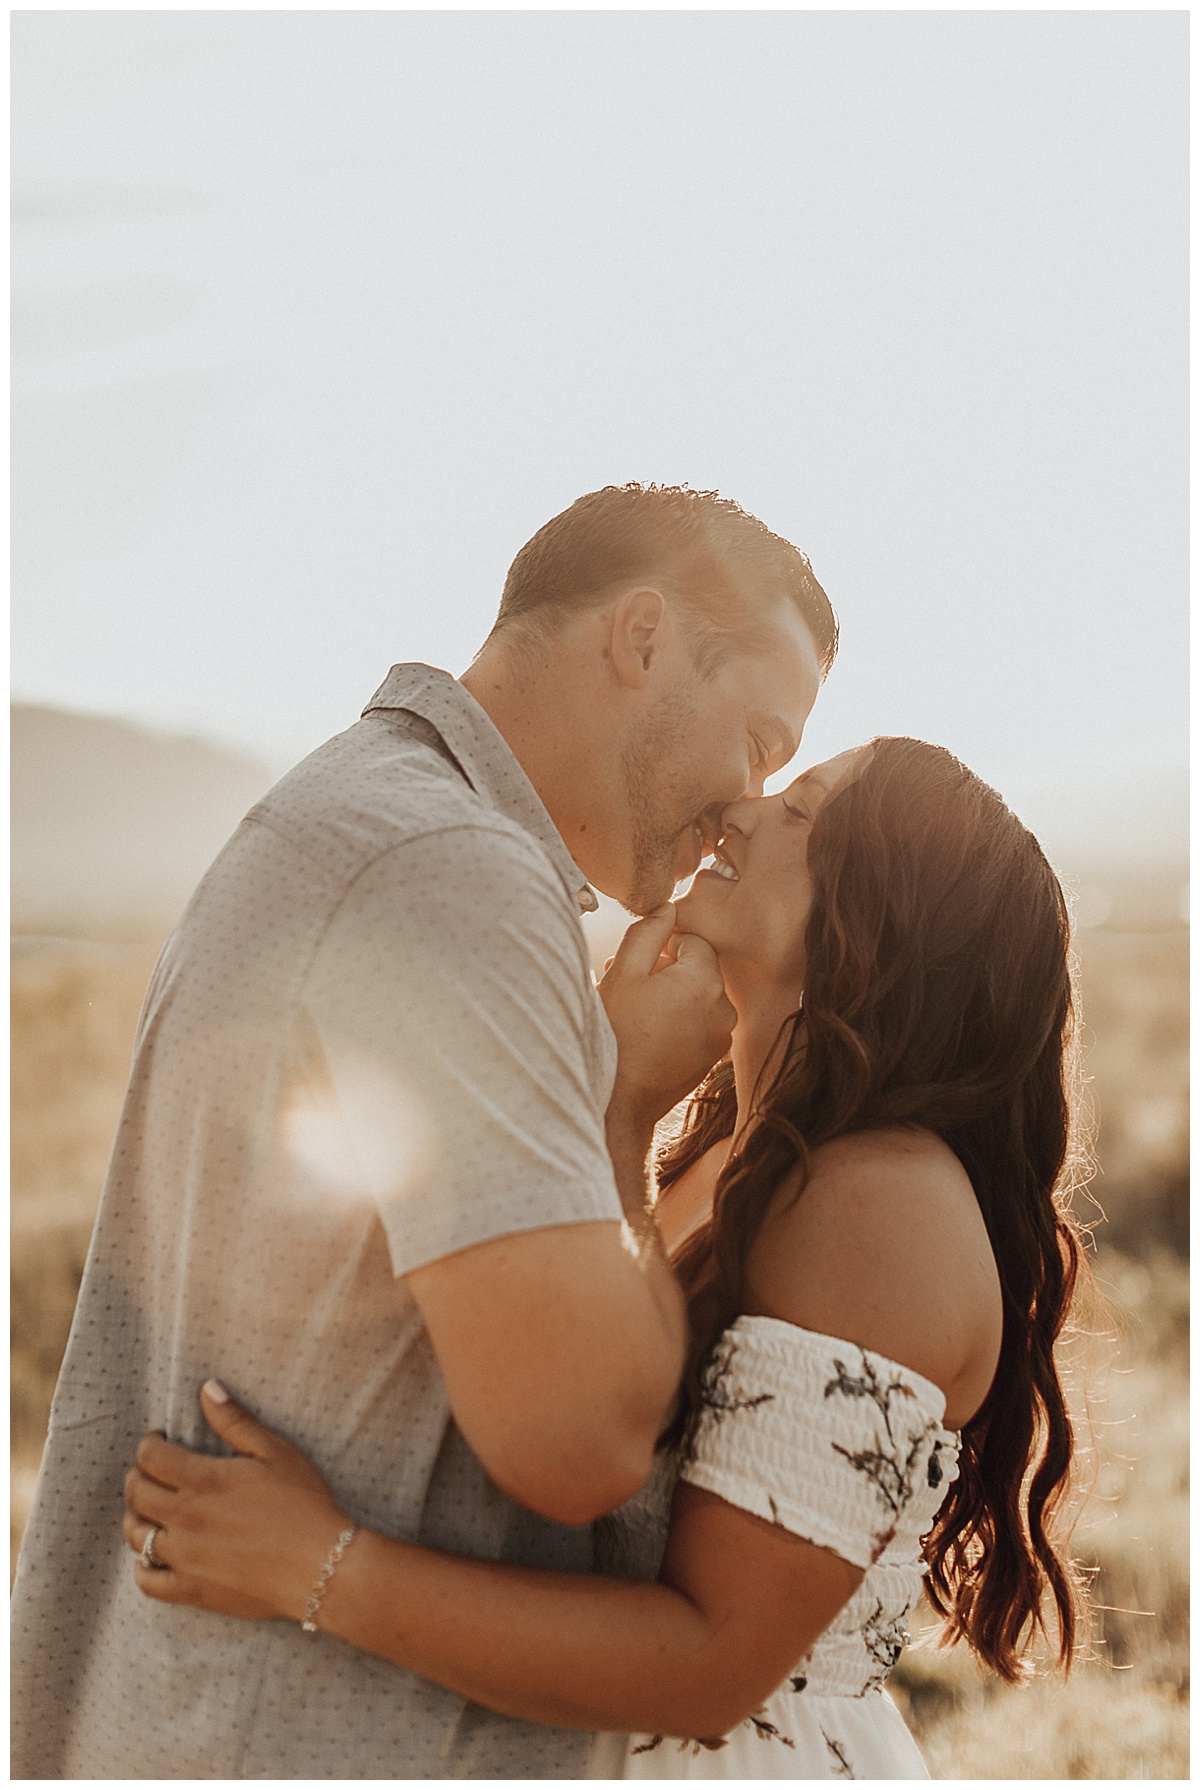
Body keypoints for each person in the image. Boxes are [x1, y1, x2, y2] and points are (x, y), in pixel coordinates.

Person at [10, 483, 838, 1780]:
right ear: (643, 638)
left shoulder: (370, 809)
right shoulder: (448, 870)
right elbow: (575, 1442)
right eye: (759, 741)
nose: (745, 804)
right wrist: (622, 1106)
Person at [122, 737, 1092, 1779]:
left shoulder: (877, 1205)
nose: (743, 812)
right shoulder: (743, 1155)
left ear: (890, 921)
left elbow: (710, 1659)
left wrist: (316, 1566)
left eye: (803, 816)